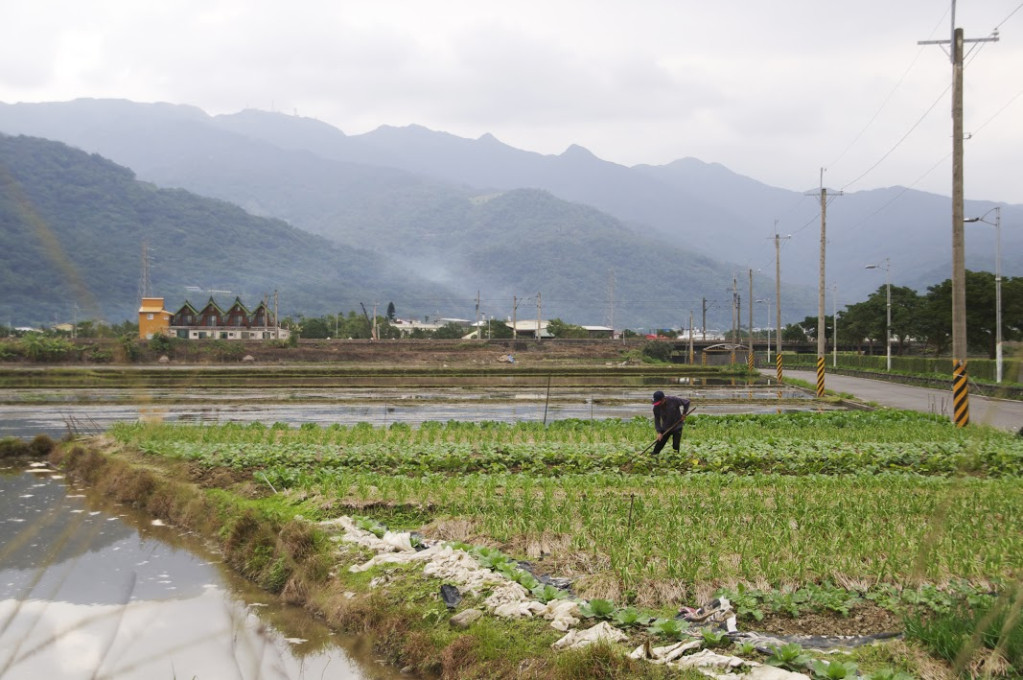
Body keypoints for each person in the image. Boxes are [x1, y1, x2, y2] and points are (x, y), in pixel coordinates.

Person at [650, 390, 691, 455]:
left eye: (660, 402)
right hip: (666, 427)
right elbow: (657, 419)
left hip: (677, 425)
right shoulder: (656, 407)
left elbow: (687, 402)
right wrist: (659, 432)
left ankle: (675, 459)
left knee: (676, 445)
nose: (659, 405)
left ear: (663, 399)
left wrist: (684, 414)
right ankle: (653, 455)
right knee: (660, 442)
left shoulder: (673, 400)